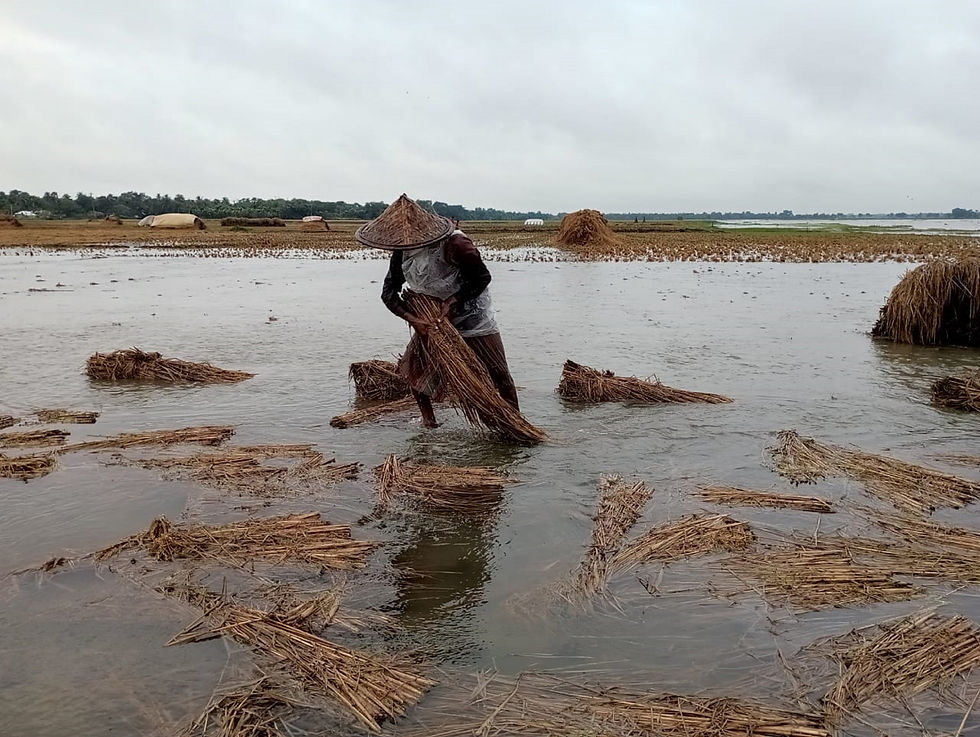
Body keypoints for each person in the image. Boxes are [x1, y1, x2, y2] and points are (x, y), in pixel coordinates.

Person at [355, 194, 519, 428]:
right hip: (432, 319)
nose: (407, 244)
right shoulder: (403, 251)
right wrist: (414, 320)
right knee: (414, 371)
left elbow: (482, 278)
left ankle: (514, 424)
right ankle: (429, 423)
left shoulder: (457, 245)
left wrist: (453, 301)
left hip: (471, 314)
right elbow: (388, 293)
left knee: (498, 372)